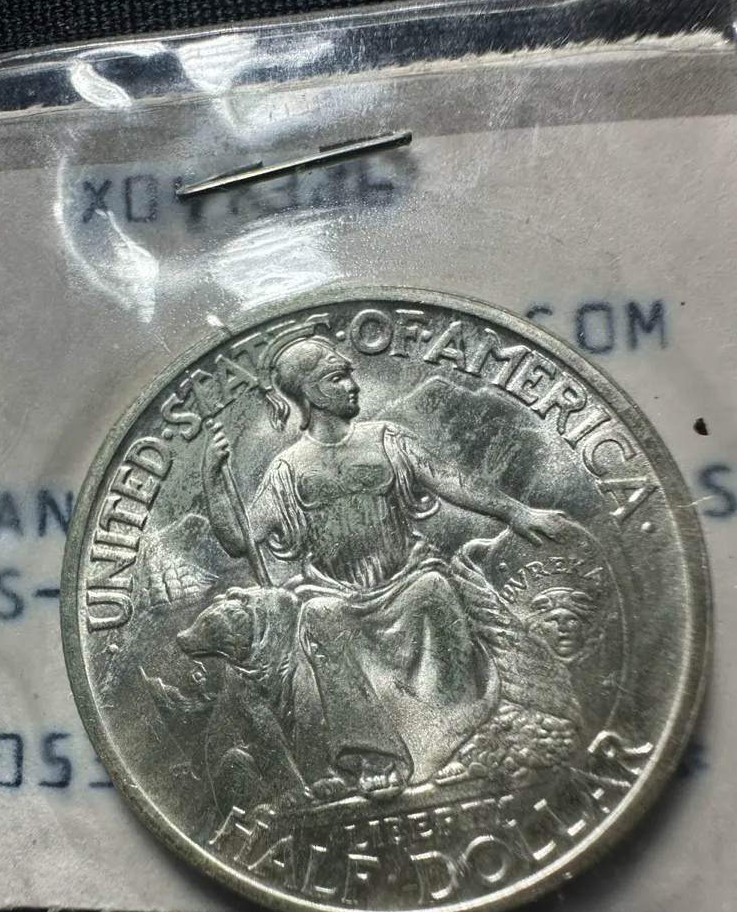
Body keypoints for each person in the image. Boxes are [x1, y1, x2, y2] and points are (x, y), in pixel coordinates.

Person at [202, 334, 565, 798]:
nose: (352, 385)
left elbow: (451, 480)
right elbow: (239, 540)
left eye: (349, 375)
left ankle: (462, 732)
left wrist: (517, 511)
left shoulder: (386, 439)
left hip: (408, 577)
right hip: (337, 595)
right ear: (309, 393)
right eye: (337, 378)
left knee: (435, 588)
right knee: (319, 616)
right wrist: (212, 479)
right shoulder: (287, 469)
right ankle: (374, 755)